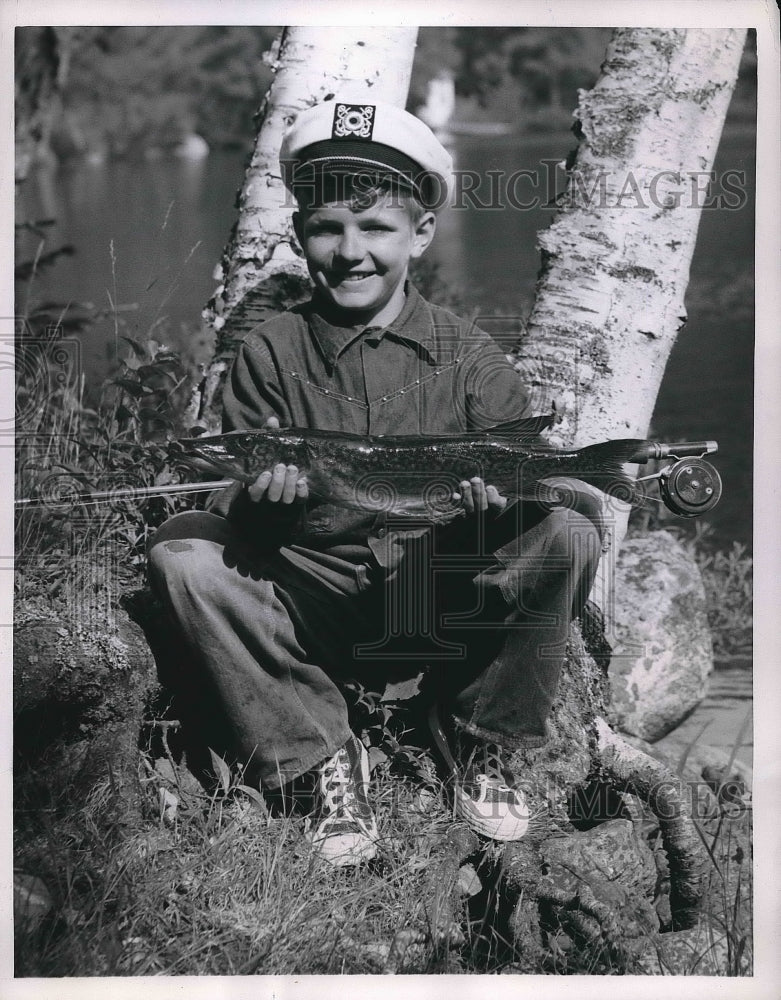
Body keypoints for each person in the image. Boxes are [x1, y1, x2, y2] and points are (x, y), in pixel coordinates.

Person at [148, 97, 605, 867]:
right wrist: (261, 506)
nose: (349, 251)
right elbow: (242, 519)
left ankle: (474, 734)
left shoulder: (469, 358)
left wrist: (500, 509)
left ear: (419, 235)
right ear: (299, 235)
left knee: (571, 527)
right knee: (181, 554)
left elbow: (528, 490)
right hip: (313, 604)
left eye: (375, 228)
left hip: (432, 597)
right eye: (326, 228)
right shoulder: (268, 352)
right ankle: (320, 753)